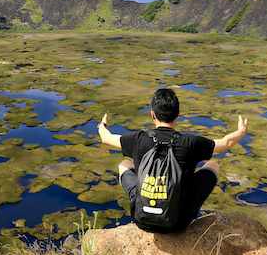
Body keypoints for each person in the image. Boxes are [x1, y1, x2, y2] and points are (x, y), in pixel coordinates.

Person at [97, 87, 249, 233]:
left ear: (153, 115)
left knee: (124, 164)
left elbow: (106, 138)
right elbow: (227, 143)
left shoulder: (139, 140)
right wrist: (241, 131)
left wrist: (102, 125)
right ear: (178, 114)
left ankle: (139, 201)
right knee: (213, 165)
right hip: (178, 223)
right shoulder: (190, 143)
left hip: (141, 219)